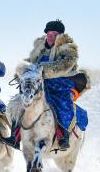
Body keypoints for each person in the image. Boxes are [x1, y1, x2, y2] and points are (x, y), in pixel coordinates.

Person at [24, 20, 89, 151]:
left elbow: (64, 66)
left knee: (62, 104)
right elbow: (30, 64)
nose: (50, 35)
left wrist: (42, 70)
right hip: (40, 84)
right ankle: (16, 135)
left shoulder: (68, 49)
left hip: (61, 84)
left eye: (54, 33)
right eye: (48, 32)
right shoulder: (39, 49)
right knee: (22, 102)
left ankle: (63, 135)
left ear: (60, 35)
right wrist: (24, 72)